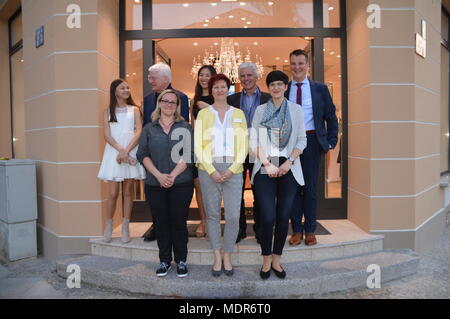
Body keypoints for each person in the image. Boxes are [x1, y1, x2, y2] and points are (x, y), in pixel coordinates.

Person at [250, 70, 307, 280]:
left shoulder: (296, 110)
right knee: (267, 216)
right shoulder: (260, 110)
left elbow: (302, 140)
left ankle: (276, 259)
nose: (275, 88)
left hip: (289, 164)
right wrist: (267, 163)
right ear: (268, 87)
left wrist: (289, 162)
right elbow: (253, 140)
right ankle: (265, 259)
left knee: (283, 216)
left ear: (285, 86)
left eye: (280, 84)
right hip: (266, 162)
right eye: (272, 84)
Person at [194, 74, 248, 277]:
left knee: (234, 216)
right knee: (213, 214)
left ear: (228, 89)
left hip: (233, 169)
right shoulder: (203, 114)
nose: (219, 90)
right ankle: (217, 255)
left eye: (223, 86)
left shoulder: (239, 114)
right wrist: (211, 170)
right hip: (209, 169)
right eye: (215, 87)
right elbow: (198, 145)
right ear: (211, 90)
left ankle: (228, 253)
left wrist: (232, 169)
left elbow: (244, 145)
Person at [136, 89, 194, 278]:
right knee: (161, 222)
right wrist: (159, 176)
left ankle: (181, 261)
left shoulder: (185, 127)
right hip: (155, 183)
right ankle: (164, 261)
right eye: (165, 101)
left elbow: (189, 155)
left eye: (173, 102)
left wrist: (172, 175)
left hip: (181, 183)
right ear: (159, 103)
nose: (169, 104)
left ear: (177, 106)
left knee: (178, 222)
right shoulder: (149, 129)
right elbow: (142, 154)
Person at [286, 49, 339, 246]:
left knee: (309, 189)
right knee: (292, 189)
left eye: (300, 63)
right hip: (290, 145)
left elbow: (331, 117)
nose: (297, 67)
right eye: (293, 63)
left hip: (312, 143)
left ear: (307, 65)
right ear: (289, 65)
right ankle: (296, 231)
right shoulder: (285, 88)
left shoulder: (320, 89)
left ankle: (310, 230)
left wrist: (331, 142)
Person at [142, 63, 190, 242]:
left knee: (177, 204)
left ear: (166, 79)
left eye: (153, 77)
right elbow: (147, 127)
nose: (150, 80)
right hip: (154, 159)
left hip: (177, 159)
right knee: (157, 201)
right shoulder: (147, 99)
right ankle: (156, 226)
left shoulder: (181, 97)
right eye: (149, 77)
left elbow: (182, 127)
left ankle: (178, 229)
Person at [227, 62, 271, 243]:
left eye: (249, 75)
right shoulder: (231, 100)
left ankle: (260, 230)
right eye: (242, 76)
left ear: (256, 76)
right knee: (236, 191)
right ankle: (239, 229)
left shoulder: (269, 99)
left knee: (260, 191)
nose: (245, 79)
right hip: (237, 150)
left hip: (260, 151)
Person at [98, 79, 146, 244]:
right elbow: (107, 135)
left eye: (127, 87)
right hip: (114, 153)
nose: (126, 89)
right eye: (122, 88)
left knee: (127, 192)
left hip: (130, 149)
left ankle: (126, 226)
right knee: (112, 193)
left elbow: (139, 131)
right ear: (115, 92)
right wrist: (120, 150)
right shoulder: (107, 112)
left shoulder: (135, 110)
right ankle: (108, 226)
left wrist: (126, 151)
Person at [190, 65, 217, 237]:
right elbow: (193, 125)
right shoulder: (194, 100)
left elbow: (223, 120)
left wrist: (207, 107)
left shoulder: (218, 97)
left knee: (213, 187)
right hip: (198, 146)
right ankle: (203, 220)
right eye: (201, 75)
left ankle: (213, 220)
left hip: (215, 147)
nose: (204, 78)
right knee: (198, 185)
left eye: (207, 75)